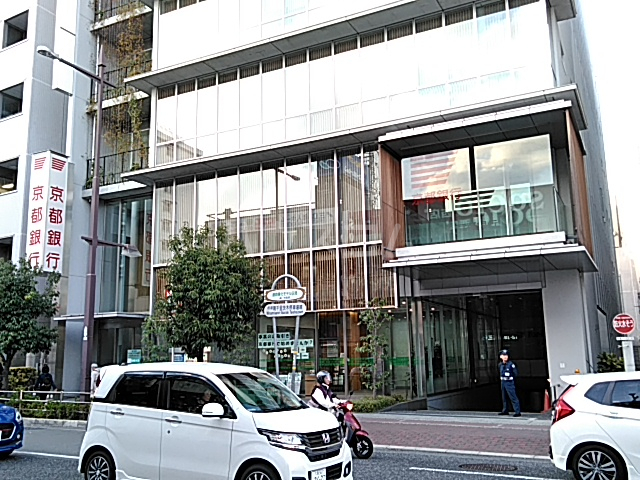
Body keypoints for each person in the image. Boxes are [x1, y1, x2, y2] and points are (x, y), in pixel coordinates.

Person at [498, 349, 521, 417]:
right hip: (503, 382)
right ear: (501, 357)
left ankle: (517, 411)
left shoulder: (511, 364)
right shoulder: (500, 365)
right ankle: (505, 410)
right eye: (503, 355)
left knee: (513, 397)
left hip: (509, 382)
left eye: (506, 355)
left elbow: (515, 373)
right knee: (504, 397)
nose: (505, 357)